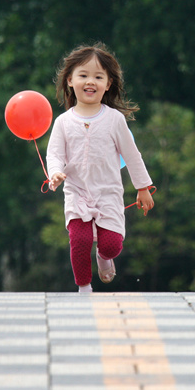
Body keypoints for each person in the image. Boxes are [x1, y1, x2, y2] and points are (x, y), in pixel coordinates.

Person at [46, 43, 155, 293]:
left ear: (108, 84)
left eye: (98, 76)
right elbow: (54, 153)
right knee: (80, 240)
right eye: (83, 75)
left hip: (108, 194)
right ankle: (84, 288)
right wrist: (55, 173)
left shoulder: (115, 120)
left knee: (111, 245)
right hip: (76, 194)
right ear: (70, 80)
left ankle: (104, 258)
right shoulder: (63, 122)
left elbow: (132, 154)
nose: (90, 81)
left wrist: (143, 188)